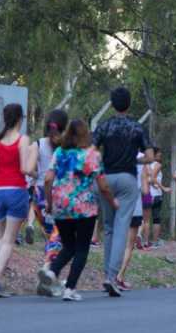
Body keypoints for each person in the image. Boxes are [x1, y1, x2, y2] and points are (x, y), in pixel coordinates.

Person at [37, 120, 118, 301]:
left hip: (60, 206)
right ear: (85, 134)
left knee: (68, 246)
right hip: (84, 208)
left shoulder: (59, 152)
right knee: (81, 248)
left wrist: (49, 203)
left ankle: (52, 270)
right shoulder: (92, 155)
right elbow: (103, 186)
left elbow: (48, 179)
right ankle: (70, 288)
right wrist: (113, 203)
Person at [92, 87, 154, 297]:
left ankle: (105, 276)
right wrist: (136, 159)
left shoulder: (104, 126)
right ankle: (112, 277)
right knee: (121, 228)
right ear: (128, 104)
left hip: (106, 178)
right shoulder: (136, 128)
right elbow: (151, 156)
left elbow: (91, 151)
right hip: (127, 179)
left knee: (108, 227)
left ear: (112, 103)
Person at [0, 104, 37, 298]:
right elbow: (24, 168)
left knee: (3, 236)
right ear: (20, 118)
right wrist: (36, 172)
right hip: (15, 190)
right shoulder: (23, 140)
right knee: (10, 239)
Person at [32, 109, 68, 271]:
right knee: (57, 238)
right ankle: (47, 271)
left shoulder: (37, 144)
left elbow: (30, 169)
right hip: (56, 196)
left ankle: (49, 273)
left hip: (38, 196)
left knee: (51, 238)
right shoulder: (66, 148)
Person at [115, 153, 149, 291]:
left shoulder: (118, 154)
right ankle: (119, 276)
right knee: (129, 245)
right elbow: (146, 190)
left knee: (117, 241)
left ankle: (110, 276)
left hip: (118, 203)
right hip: (135, 205)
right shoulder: (143, 159)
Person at [142, 147, 167, 248]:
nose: (160, 154)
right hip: (155, 194)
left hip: (146, 194)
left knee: (146, 220)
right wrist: (162, 187)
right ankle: (155, 242)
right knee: (156, 218)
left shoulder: (145, 164)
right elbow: (152, 179)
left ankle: (145, 241)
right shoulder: (157, 165)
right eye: (159, 153)